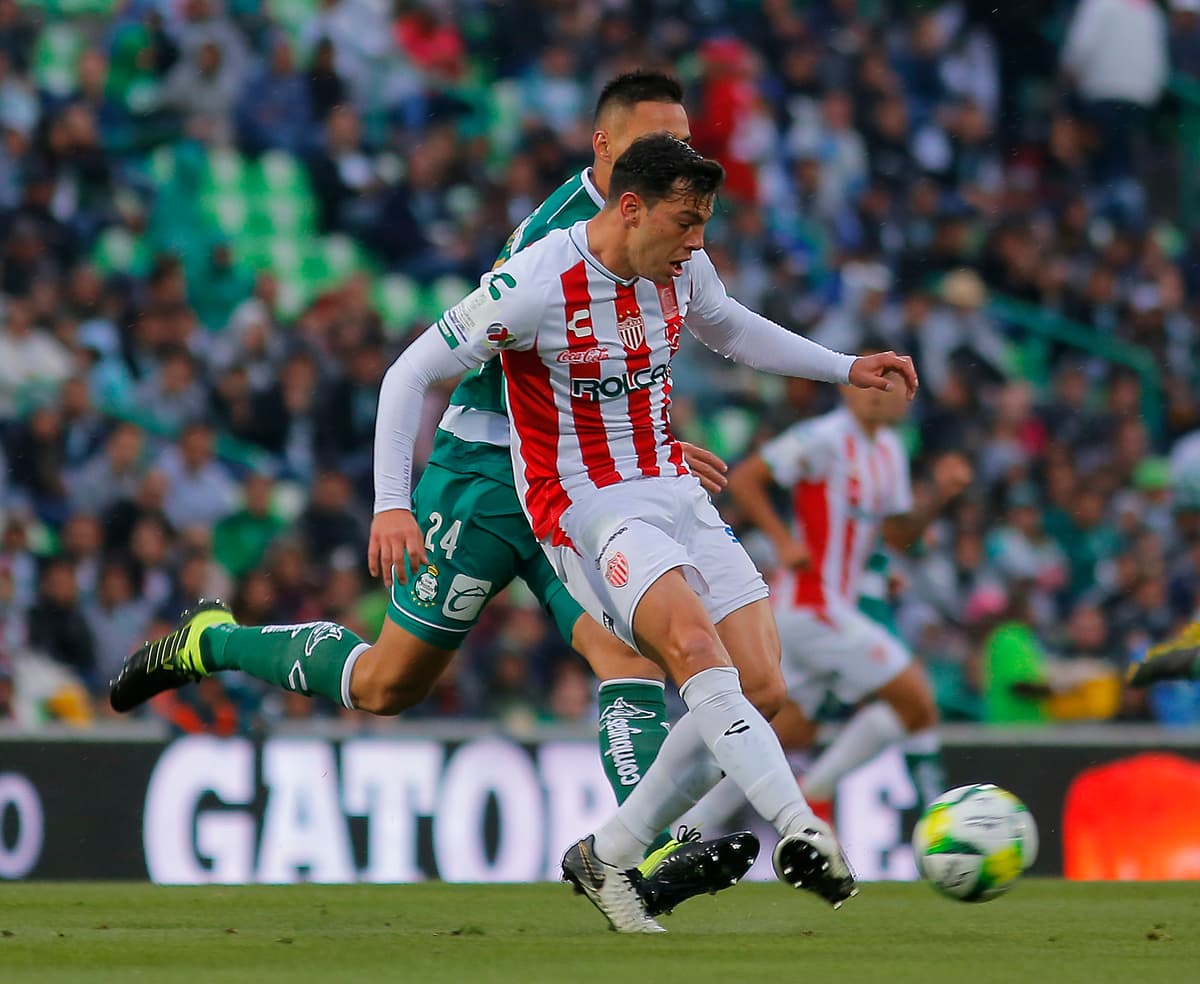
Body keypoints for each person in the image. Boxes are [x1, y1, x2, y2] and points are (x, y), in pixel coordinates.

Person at [110, 72, 754, 918]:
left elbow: (616, 362)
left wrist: (656, 444)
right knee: (387, 684)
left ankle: (653, 844)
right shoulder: (559, 241)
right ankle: (215, 641)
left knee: (626, 652)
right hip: (486, 477)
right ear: (604, 149)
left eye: (681, 145)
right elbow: (445, 365)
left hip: (577, 486)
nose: (672, 164)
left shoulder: (659, 229)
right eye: (651, 147)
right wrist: (392, 498)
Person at [370, 134, 912, 931]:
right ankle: (802, 830)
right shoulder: (535, 283)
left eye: (704, 225)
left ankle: (610, 851)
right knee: (694, 651)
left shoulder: (680, 269)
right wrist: (393, 501)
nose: (697, 242)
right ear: (632, 208)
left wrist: (844, 367)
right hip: (587, 508)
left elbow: (728, 326)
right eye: (686, 223)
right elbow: (409, 372)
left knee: (762, 685)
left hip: (674, 491)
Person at [679, 345, 970, 835]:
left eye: (891, 390)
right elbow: (748, 478)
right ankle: (823, 797)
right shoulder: (824, 438)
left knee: (786, 732)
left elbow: (895, 536)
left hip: (830, 606)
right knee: (916, 699)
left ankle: (691, 824)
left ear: (905, 402)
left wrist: (938, 497)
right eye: (872, 386)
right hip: (811, 605)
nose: (878, 398)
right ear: (848, 389)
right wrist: (783, 541)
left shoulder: (890, 453)